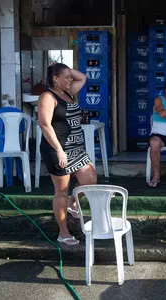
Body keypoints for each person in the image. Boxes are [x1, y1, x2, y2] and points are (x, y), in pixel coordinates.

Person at [38, 63, 97, 246]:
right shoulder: (47, 96)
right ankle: (63, 232)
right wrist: (59, 150)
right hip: (58, 149)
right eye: (66, 77)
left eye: (70, 77)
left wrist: (62, 68)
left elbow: (83, 78)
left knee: (90, 179)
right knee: (61, 191)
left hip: (77, 149)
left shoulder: (68, 92)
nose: (71, 79)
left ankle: (72, 204)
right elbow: (45, 124)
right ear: (55, 79)